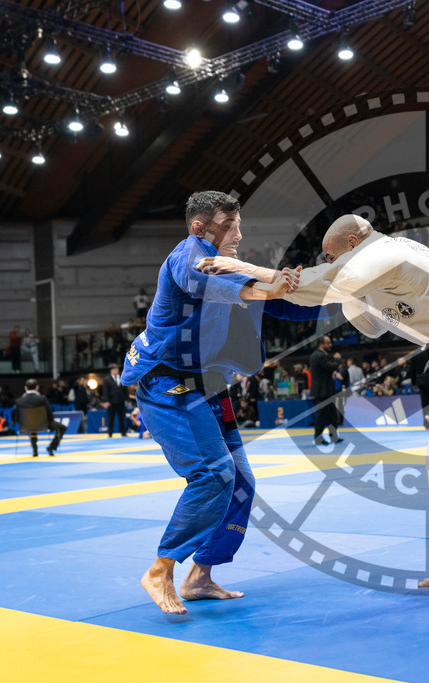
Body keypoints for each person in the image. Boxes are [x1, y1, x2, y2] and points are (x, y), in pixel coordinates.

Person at [197, 214, 429, 621]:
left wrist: (242, 268)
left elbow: (313, 286)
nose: (330, 263)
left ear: (352, 242)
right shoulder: (376, 265)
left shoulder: (383, 253)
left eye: (332, 256)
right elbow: (365, 324)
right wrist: (301, 285)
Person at [122, 190, 318, 615]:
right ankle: (161, 568)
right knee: (213, 475)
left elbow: (284, 305)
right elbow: (203, 283)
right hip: (168, 385)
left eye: (238, 224)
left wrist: (351, 301)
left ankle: (200, 575)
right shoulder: (188, 256)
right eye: (230, 226)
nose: (238, 234)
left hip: (209, 388)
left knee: (240, 482)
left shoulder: (230, 272)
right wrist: (265, 288)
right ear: (200, 227)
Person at [15, 378, 66, 457]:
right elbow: (49, 414)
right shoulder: (42, 398)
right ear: (37, 387)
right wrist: (50, 423)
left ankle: (35, 450)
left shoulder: (19, 401)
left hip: (27, 426)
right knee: (62, 428)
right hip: (43, 424)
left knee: (31, 425)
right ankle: (51, 447)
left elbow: (17, 418)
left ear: (25, 388)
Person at [309, 335, 343, 445]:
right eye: (328, 343)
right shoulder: (319, 356)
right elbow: (330, 367)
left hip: (326, 390)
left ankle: (333, 436)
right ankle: (318, 438)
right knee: (322, 415)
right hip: (323, 391)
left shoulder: (319, 355)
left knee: (332, 414)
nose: (330, 345)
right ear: (321, 344)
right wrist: (337, 360)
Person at [101, 363, 129, 437]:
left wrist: (126, 399)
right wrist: (106, 401)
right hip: (111, 402)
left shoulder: (121, 377)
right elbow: (105, 391)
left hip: (121, 401)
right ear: (111, 370)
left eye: (117, 369)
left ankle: (123, 432)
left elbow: (125, 389)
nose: (117, 370)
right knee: (111, 418)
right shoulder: (107, 379)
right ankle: (110, 433)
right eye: (115, 369)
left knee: (122, 417)